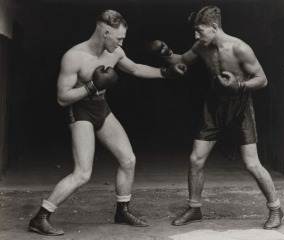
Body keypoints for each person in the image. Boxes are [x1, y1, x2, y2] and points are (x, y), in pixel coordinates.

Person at [28, 9, 186, 236]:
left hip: (101, 108)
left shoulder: (115, 52)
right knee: (83, 173)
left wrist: (167, 72)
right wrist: (91, 86)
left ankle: (122, 211)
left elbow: (136, 69)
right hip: (80, 110)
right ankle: (40, 217)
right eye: (118, 38)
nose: (121, 43)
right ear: (105, 32)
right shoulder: (74, 57)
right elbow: (62, 98)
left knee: (128, 159)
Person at [149, 6, 283, 229]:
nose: (196, 36)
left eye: (199, 31)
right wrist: (165, 53)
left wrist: (238, 86)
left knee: (251, 163)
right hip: (214, 105)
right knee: (195, 159)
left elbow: (262, 79)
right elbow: (183, 59)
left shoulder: (240, 48)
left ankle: (276, 209)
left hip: (240, 104)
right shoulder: (201, 46)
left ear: (214, 27)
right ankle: (194, 208)